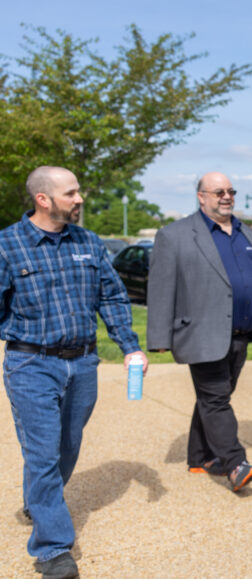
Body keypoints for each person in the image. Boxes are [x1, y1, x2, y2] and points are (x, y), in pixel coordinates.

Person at [1, 166, 148, 579]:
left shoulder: (88, 242)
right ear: (43, 199)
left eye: (77, 191)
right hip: (31, 364)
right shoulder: (7, 245)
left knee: (67, 446)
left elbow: (112, 297)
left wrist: (130, 346)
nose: (79, 198)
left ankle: (37, 501)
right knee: (43, 452)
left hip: (83, 364)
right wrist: (18, 334)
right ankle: (52, 549)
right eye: (70, 193)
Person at [147, 172, 252, 492]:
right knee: (215, 399)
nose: (226, 196)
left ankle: (199, 456)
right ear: (201, 197)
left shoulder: (244, 231)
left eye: (230, 191)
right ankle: (235, 463)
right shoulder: (174, 235)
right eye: (218, 192)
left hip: (241, 333)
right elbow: (160, 288)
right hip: (201, 333)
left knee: (215, 397)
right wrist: (158, 337)